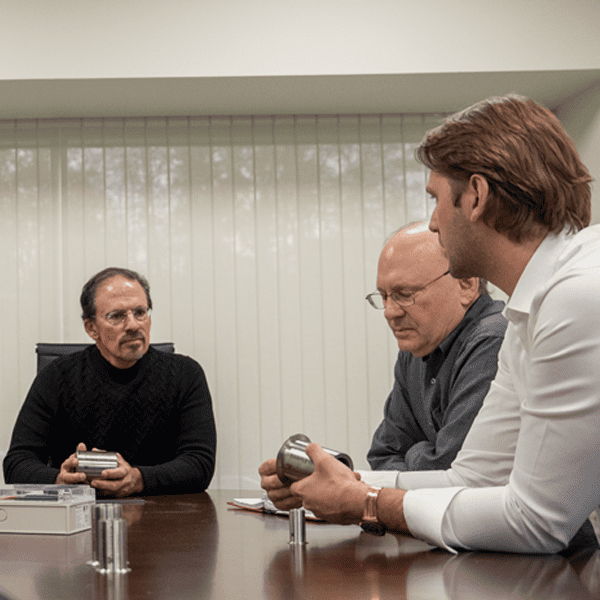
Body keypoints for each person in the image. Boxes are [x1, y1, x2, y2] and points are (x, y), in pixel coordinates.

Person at [260, 94, 600, 554]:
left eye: (436, 200)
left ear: (476, 196)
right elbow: (472, 477)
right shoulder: (533, 308)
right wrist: (336, 483)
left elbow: (537, 521)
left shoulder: (576, 296)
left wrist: (367, 500)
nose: (434, 223)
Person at [3, 267, 216, 497]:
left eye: (140, 312)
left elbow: (199, 464)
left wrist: (138, 479)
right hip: (78, 518)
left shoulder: (185, 374)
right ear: (91, 328)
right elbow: (17, 463)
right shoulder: (57, 377)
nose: (133, 325)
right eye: (117, 316)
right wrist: (59, 480)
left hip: (161, 518)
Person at [366, 223, 506, 471]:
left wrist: (415, 452)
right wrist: (424, 455)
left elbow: (453, 471)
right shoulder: (416, 347)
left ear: (466, 284)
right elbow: (383, 455)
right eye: (384, 296)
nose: (390, 312)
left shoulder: (493, 341)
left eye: (404, 293)